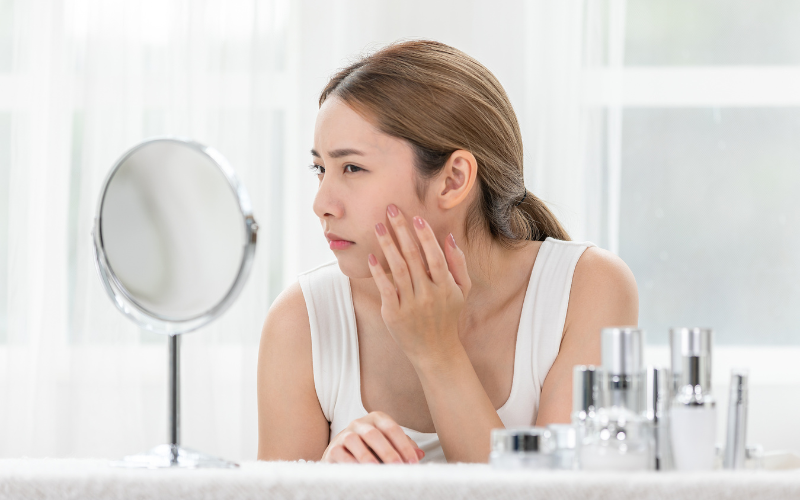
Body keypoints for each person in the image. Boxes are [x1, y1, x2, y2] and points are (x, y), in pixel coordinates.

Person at [257, 40, 638, 464]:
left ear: (454, 179)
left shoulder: (587, 290)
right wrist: (326, 486)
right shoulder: (303, 320)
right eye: (320, 169)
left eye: (352, 168)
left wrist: (437, 352)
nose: (322, 203)